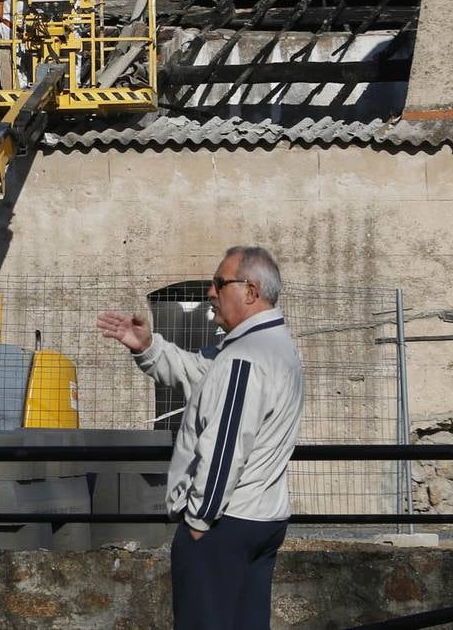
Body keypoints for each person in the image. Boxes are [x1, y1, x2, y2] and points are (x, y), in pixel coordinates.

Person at [97, 246, 304, 630]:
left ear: (250, 291)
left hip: (225, 523)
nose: (211, 291)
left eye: (220, 282)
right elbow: (200, 374)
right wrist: (148, 346)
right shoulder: (271, 346)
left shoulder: (246, 357)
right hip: (260, 520)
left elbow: (225, 446)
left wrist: (199, 519)